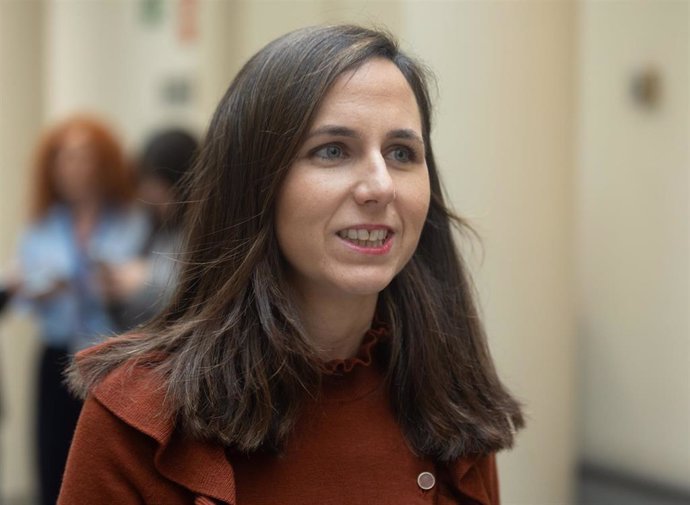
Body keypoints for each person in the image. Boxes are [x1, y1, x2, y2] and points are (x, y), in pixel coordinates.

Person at [59, 25, 524, 504]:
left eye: (401, 153)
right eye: (333, 150)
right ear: (255, 184)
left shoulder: (446, 405)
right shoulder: (139, 419)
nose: (380, 185)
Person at [14, 115, 149, 505]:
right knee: (52, 461)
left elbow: (142, 287)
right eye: (65, 158)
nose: (74, 168)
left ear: (104, 162)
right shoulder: (41, 224)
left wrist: (111, 282)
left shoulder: (130, 220)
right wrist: (36, 289)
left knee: (107, 468)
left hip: (111, 357)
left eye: (84, 157)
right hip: (56, 355)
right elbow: (22, 288)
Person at [102, 128, 199, 329]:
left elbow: (198, 299)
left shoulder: (200, 231)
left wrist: (146, 282)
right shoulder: (148, 222)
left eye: (158, 185)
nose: (150, 194)